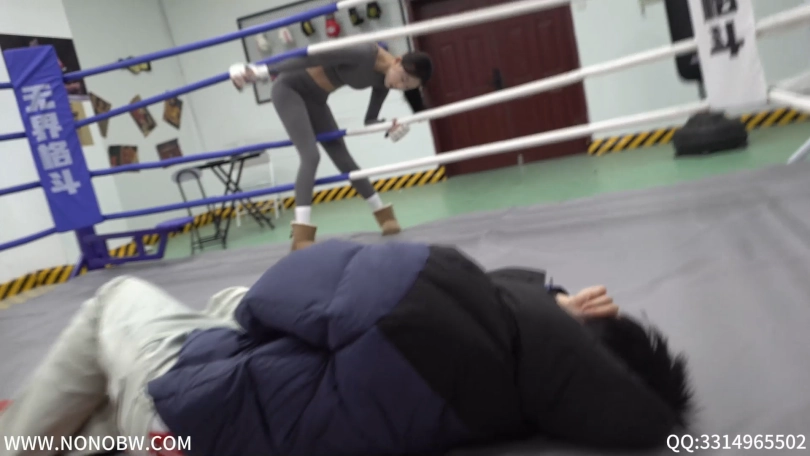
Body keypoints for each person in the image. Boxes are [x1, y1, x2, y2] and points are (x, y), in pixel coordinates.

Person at [0, 240, 693, 456]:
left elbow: (284, 289)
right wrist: (549, 305)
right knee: (224, 308)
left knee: (117, 299)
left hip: (187, 418)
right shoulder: (506, 390)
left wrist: (545, 304)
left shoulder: (437, 301)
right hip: (220, 424)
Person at [229, 43, 433, 250]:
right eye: (403, 79)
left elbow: (370, 119)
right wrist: (262, 70)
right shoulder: (363, 52)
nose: (399, 86)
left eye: (405, 88)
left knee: (344, 159)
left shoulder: (384, 80)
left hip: (317, 99)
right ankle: (301, 235)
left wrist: (388, 126)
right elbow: (311, 57)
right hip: (290, 89)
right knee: (310, 156)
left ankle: (385, 217)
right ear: (397, 61)